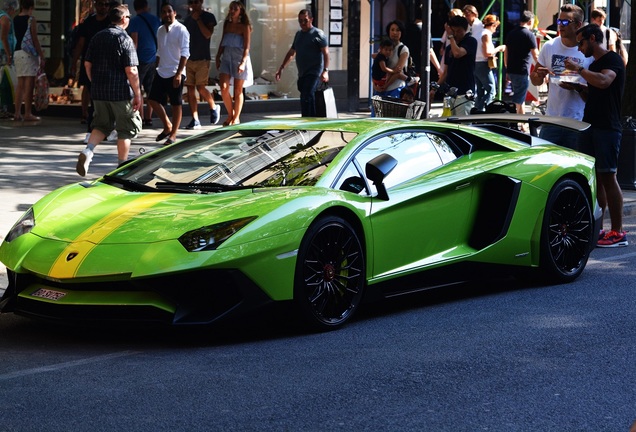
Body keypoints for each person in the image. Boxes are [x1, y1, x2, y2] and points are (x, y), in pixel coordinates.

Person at [563, 24, 627, 247]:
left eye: (581, 42)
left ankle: (618, 232)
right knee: (595, 178)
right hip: (591, 125)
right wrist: (578, 88)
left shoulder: (612, 60)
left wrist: (579, 71)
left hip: (607, 128)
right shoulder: (596, 64)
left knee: (608, 177)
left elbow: (604, 81)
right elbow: (595, 93)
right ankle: (598, 228)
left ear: (592, 38)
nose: (579, 48)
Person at [75, 4, 142, 177]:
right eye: (128, 17)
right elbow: (131, 70)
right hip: (120, 92)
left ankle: (88, 151)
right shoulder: (124, 39)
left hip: (99, 92)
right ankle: (121, 167)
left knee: (100, 125)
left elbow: (87, 63)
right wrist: (138, 94)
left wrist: (94, 81)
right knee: (125, 129)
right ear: (123, 19)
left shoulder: (97, 37)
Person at [530, 3, 591, 149]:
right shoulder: (549, 46)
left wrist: (578, 88)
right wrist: (538, 75)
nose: (560, 25)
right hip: (552, 120)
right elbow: (534, 79)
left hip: (577, 122)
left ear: (578, 25)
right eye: (559, 21)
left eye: (565, 22)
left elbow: (595, 89)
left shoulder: (587, 50)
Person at [147, 2, 189, 145]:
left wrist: (178, 74)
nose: (167, 14)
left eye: (169, 11)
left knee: (176, 104)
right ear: (161, 15)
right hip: (162, 71)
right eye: (164, 12)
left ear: (174, 13)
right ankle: (167, 125)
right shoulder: (160, 30)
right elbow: (159, 51)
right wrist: (156, 67)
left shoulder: (181, 30)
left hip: (175, 71)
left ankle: (173, 135)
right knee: (152, 99)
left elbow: (185, 53)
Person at [275, 9, 329, 117]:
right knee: (304, 96)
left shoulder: (318, 34)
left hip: (314, 72)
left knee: (308, 95)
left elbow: (326, 53)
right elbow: (291, 52)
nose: (302, 24)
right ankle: (307, 119)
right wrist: (281, 67)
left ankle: (310, 122)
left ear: (311, 19)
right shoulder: (299, 35)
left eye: (305, 20)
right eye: (300, 21)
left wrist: (325, 71)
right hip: (302, 73)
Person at [70, 0, 112, 125]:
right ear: (95, 5)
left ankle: (102, 114)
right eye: (101, 4)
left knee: (104, 88)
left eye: (106, 4)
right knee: (87, 87)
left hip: (106, 61)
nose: (103, 7)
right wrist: (74, 63)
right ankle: (84, 114)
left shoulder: (110, 22)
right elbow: (81, 43)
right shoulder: (88, 22)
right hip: (89, 59)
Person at [183, 0, 220, 129]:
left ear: (201, 2)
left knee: (201, 87)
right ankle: (195, 119)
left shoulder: (208, 17)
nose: (194, 5)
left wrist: (198, 20)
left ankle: (213, 106)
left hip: (203, 58)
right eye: (192, 3)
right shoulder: (187, 20)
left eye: (196, 2)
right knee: (190, 89)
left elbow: (207, 34)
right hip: (188, 59)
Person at [216, 0, 252, 126]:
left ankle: (236, 117)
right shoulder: (227, 24)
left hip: (239, 57)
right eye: (231, 8)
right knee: (224, 88)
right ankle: (230, 114)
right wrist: (217, 55)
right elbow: (222, 40)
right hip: (226, 57)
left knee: (238, 90)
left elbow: (247, 46)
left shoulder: (245, 26)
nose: (232, 11)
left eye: (235, 9)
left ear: (240, 11)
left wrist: (243, 62)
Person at [127, 0, 161, 128]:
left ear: (135, 8)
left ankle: (140, 117)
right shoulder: (155, 19)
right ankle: (149, 117)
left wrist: (131, 59)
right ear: (146, 6)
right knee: (150, 89)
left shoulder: (135, 21)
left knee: (137, 89)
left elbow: (134, 41)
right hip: (153, 58)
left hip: (140, 59)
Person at [435, 15, 477, 115]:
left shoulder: (470, 41)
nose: (455, 34)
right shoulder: (449, 48)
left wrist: (450, 37)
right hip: (450, 93)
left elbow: (458, 53)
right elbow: (446, 72)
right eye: (453, 31)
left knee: (463, 124)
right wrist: (435, 88)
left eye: (458, 31)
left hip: (464, 93)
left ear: (465, 29)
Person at [12, 0, 44, 122]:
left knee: (20, 84)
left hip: (18, 52)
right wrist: (41, 55)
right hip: (28, 54)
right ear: (31, 7)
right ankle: (28, 113)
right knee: (29, 84)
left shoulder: (15, 19)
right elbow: (34, 39)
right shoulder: (31, 20)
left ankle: (17, 113)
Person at [504, 10, 539, 114]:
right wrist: (542, 67)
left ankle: (522, 123)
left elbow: (506, 52)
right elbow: (536, 54)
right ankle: (518, 121)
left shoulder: (511, 33)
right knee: (519, 99)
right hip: (522, 70)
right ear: (530, 21)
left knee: (520, 98)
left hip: (512, 70)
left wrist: (507, 68)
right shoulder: (529, 35)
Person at [0, 0, 17, 118]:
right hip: (2, 53)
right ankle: (3, 107)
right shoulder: (5, 18)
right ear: (11, 8)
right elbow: (4, 37)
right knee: (4, 81)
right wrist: (9, 54)